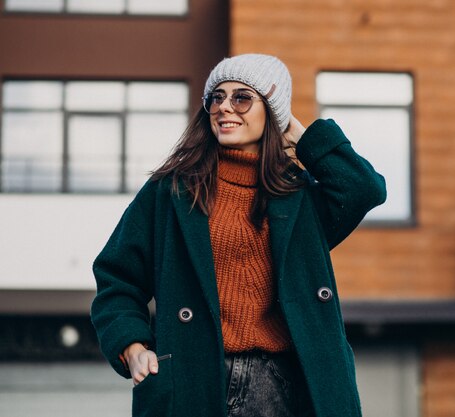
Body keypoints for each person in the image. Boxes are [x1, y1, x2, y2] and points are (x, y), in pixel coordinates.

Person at [91, 53, 386, 417]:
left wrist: (295, 130)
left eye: (242, 97)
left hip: (283, 384)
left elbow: (363, 189)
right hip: (195, 378)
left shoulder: (299, 199)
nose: (224, 107)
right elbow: (116, 278)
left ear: (271, 110)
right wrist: (132, 345)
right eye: (216, 97)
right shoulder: (171, 192)